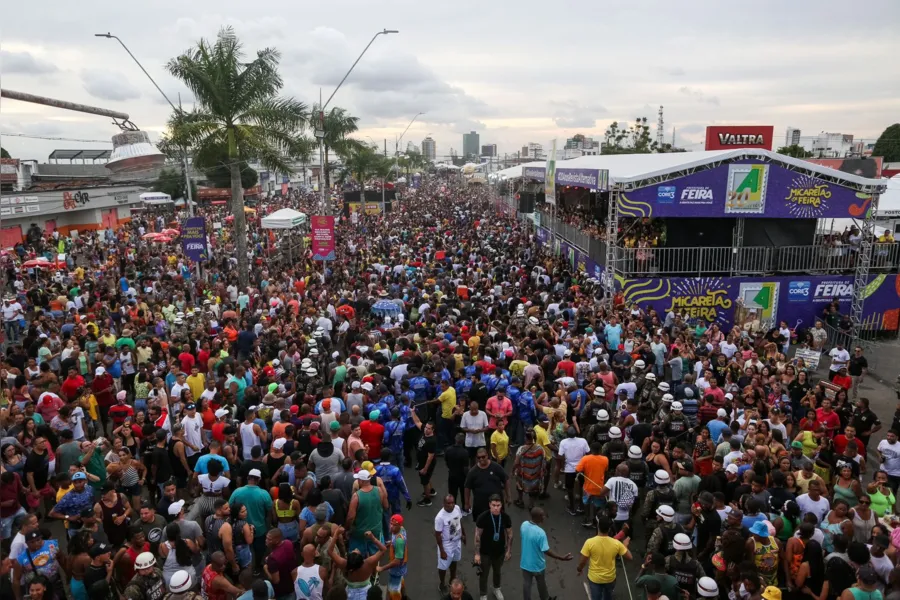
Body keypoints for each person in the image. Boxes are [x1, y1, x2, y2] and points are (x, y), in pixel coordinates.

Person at [520, 507, 573, 600]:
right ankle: (545, 598)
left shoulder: (524, 525)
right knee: (541, 583)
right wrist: (561, 557)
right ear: (538, 517)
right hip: (537, 564)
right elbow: (546, 550)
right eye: (543, 515)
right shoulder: (540, 533)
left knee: (527, 584)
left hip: (525, 563)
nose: (544, 517)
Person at [577, 515, 631, 600]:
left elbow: (583, 561)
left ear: (598, 526)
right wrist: (625, 546)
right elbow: (629, 557)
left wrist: (579, 569)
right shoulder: (616, 543)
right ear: (609, 529)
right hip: (610, 578)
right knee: (608, 597)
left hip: (595, 579)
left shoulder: (589, 542)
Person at [474, 494, 513, 600]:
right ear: (489, 505)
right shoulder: (483, 517)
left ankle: (496, 588)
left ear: (501, 505)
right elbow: (477, 536)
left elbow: (510, 534)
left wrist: (508, 551)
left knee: (497, 572)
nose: (496, 508)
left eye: (498, 505)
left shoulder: (505, 517)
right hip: (485, 552)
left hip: (499, 551)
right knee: (484, 574)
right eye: (493, 505)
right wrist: (477, 554)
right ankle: (483, 594)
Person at [464, 447, 510, 520]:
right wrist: (467, 503)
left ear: (487, 455)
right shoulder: (472, 472)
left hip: (496, 505)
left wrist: (508, 496)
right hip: (480, 505)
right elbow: (467, 487)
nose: (481, 459)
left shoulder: (496, 467)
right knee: (481, 525)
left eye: (483, 457)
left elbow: (506, 479)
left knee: (498, 523)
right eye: (479, 457)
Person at [435, 493, 466, 596]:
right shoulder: (440, 517)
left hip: (456, 541)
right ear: (444, 503)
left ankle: (452, 580)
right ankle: (442, 584)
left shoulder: (457, 508)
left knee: (454, 561)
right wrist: (442, 550)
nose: (451, 505)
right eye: (448, 503)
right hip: (446, 544)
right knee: (443, 566)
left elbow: (460, 521)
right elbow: (438, 535)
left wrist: (463, 535)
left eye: (452, 502)